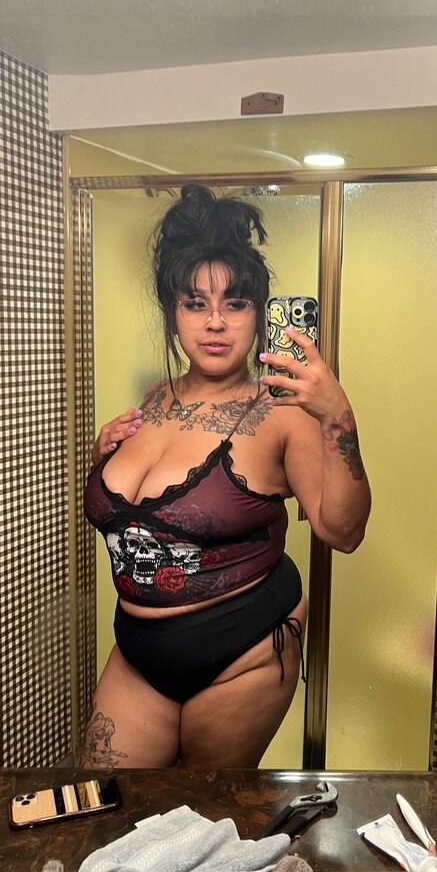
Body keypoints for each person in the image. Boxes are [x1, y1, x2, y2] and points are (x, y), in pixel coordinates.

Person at [80, 184, 370, 769]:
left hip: (243, 653)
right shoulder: (154, 397)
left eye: (235, 303)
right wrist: (98, 458)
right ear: (173, 313)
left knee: (206, 816)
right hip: (136, 654)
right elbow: (135, 518)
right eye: (195, 303)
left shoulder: (282, 413)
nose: (215, 322)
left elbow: (343, 531)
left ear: (258, 315)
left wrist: (337, 414)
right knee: (105, 811)